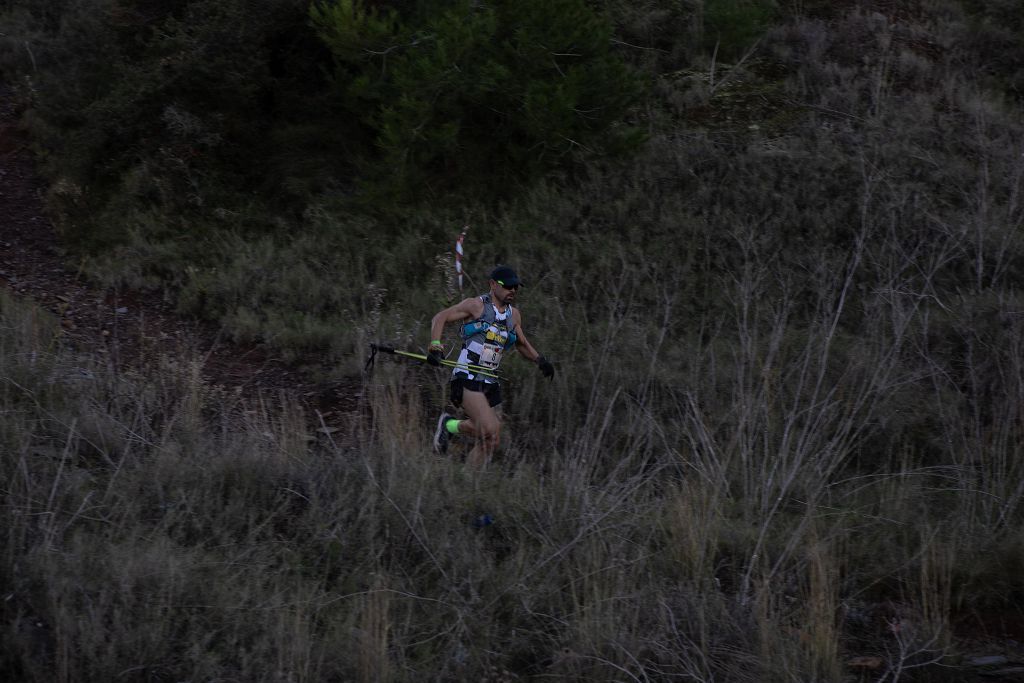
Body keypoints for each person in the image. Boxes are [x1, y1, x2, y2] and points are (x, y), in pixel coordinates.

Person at [427, 265, 554, 466]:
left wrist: (540, 361)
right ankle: (450, 428)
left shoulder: (514, 316)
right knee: (489, 428)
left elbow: (521, 343)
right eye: (508, 286)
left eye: (516, 287)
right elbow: (440, 317)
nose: (512, 290)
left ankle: (466, 481)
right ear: (493, 285)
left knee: (492, 439)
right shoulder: (476, 305)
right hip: (467, 376)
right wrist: (435, 346)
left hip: (490, 379)